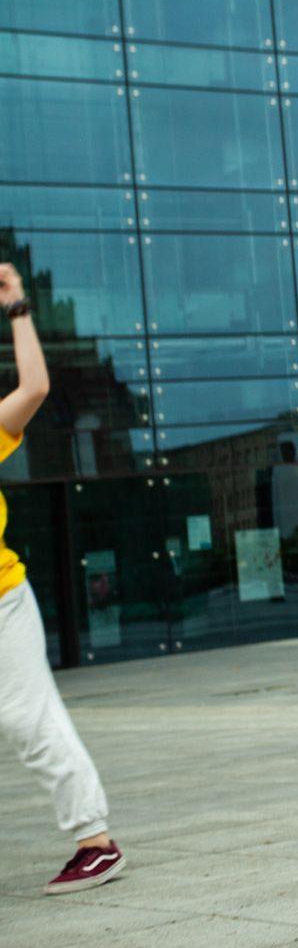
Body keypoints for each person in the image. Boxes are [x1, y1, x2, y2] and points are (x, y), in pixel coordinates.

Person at [0, 264, 126, 895]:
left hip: (2, 603)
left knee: (28, 720)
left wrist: (18, 307)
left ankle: (95, 842)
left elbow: (35, 387)